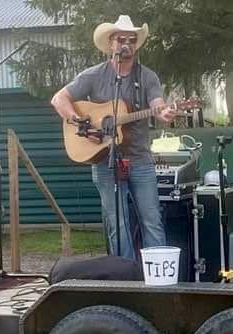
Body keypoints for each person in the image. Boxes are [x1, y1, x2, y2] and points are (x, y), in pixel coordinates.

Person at [51, 14, 177, 260]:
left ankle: (157, 274)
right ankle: (125, 273)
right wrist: (78, 121)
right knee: (117, 223)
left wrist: (165, 112)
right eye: (121, 39)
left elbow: (157, 104)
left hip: (140, 159)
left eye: (132, 40)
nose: (127, 44)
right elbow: (59, 99)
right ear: (111, 43)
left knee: (152, 220)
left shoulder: (147, 76)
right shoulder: (93, 75)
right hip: (104, 159)